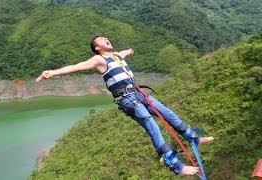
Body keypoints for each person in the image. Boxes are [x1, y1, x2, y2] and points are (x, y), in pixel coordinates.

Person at [35, 35, 214, 176]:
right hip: (127, 99)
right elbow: (78, 66)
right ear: (97, 48)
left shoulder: (117, 56)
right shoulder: (99, 60)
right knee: (152, 126)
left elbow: (125, 52)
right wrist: (52, 73)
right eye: (102, 40)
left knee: (168, 114)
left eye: (107, 37)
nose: (107, 39)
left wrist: (130, 50)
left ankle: (194, 139)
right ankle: (175, 165)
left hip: (139, 93)